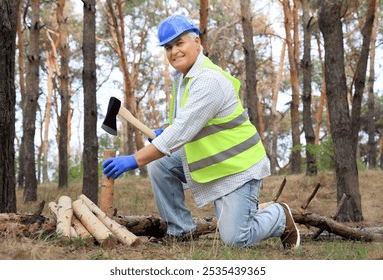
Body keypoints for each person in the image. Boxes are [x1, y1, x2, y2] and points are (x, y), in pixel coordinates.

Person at [103, 14, 300, 249]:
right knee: (159, 165)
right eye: (168, 47)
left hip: (238, 169)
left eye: (179, 43)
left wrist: (134, 160)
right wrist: (165, 132)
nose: (173, 51)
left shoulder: (209, 81)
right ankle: (180, 231)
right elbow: (188, 125)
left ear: (196, 42)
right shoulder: (183, 79)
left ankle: (279, 216)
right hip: (214, 163)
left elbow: (182, 132)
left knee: (236, 239)